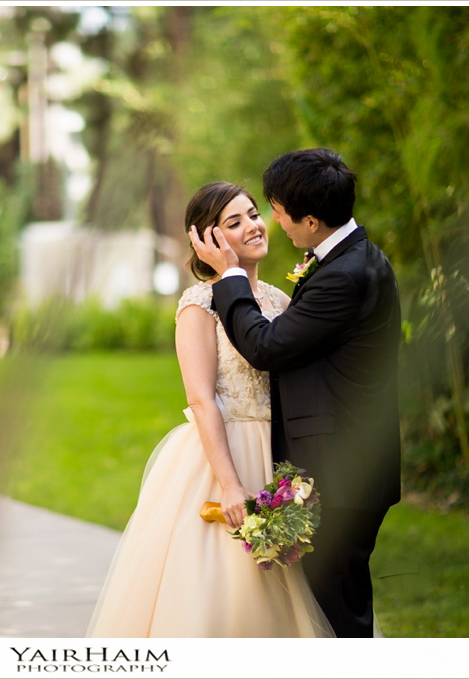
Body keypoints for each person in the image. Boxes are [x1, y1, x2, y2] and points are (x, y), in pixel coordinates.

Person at [86, 181, 333, 638]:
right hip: (223, 458)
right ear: (207, 241)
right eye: (233, 222)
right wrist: (230, 483)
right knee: (223, 590)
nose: (253, 226)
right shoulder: (198, 305)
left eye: (254, 214)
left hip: (277, 456)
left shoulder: (280, 301)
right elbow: (201, 399)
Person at [190, 148, 401, 638]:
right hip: (323, 463)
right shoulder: (346, 260)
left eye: (274, 210)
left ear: (310, 219)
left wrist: (231, 278)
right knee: (325, 609)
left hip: (342, 471)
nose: (270, 221)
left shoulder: (343, 277)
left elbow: (265, 346)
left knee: (336, 616)